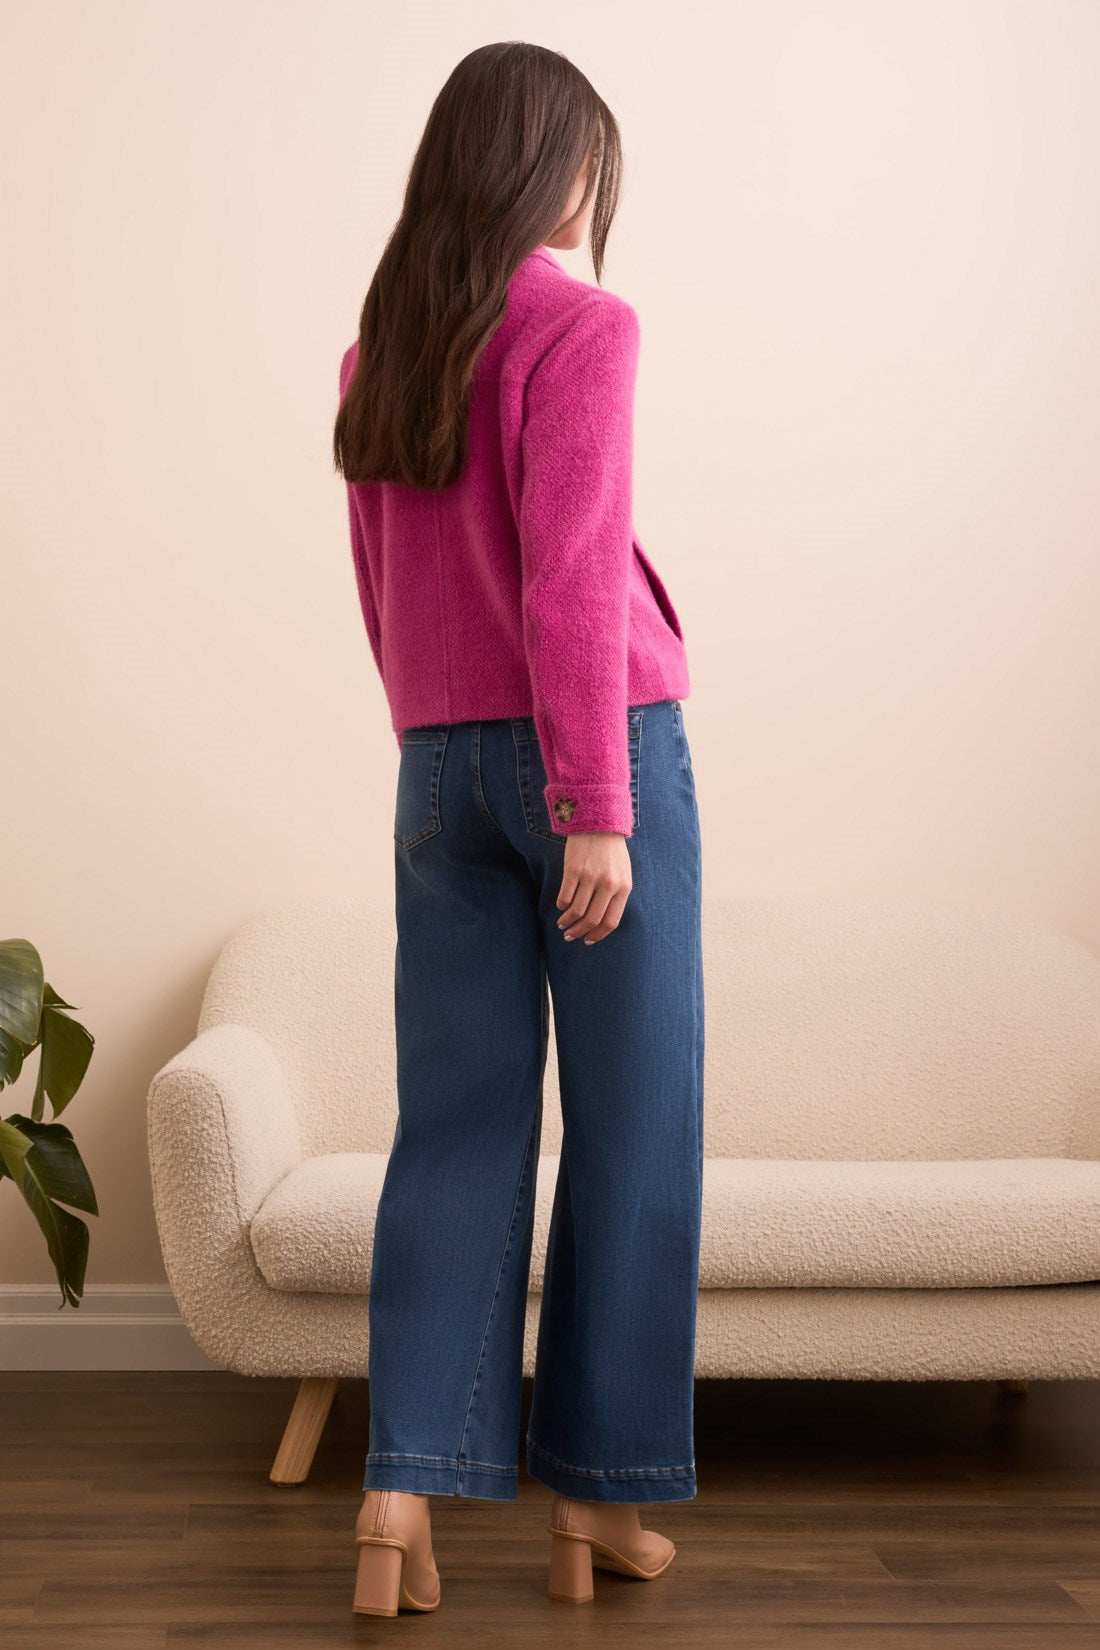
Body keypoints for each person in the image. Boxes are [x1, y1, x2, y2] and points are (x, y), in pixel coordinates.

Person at [332, 40, 704, 1618]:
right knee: (633, 1123)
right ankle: (597, 1500)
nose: (593, 193)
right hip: (589, 757)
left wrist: (447, 752)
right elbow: (572, 573)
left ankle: (398, 1494)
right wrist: (593, 808)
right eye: (590, 163)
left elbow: (385, 587)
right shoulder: (582, 326)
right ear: (557, 166)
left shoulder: (383, 351)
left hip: (436, 763)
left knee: (457, 1129)